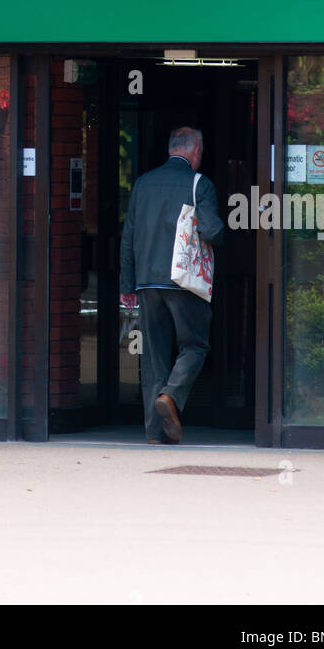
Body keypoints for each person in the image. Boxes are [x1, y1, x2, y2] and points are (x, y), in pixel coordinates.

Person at [119, 126, 224, 444]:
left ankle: (155, 433)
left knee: (154, 357)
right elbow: (210, 232)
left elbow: (129, 236)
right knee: (195, 345)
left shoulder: (142, 183)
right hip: (184, 281)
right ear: (196, 152)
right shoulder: (199, 184)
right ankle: (171, 395)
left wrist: (127, 283)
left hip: (148, 282)